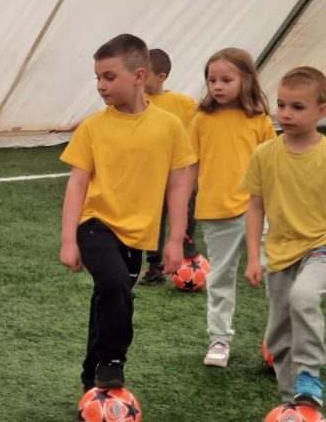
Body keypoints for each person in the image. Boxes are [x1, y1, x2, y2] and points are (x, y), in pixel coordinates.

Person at [59, 34, 195, 391]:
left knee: (110, 298)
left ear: (138, 76)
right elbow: (77, 184)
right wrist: (69, 240)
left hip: (138, 235)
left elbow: (178, 186)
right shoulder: (92, 127)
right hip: (95, 223)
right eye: (97, 78)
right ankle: (113, 359)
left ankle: (92, 380)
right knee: (115, 283)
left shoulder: (169, 126)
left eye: (109, 77)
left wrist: (175, 239)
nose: (101, 86)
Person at [244, 66, 326, 406]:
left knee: (303, 297)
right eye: (281, 105)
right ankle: (295, 404)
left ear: (321, 111)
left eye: (297, 107)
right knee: (278, 338)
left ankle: (309, 374)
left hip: (320, 247)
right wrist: (253, 257)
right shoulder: (264, 154)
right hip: (279, 252)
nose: (286, 113)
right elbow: (255, 207)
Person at [189, 48, 276, 367]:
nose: (217, 86)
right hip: (216, 214)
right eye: (212, 80)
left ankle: (278, 339)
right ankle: (219, 338)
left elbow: (273, 169)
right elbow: (190, 165)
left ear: (247, 79)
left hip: (259, 211)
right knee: (221, 277)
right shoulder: (201, 119)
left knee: (275, 273)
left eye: (226, 80)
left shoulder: (260, 121)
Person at [137, 48, 200, 285]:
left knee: (185, 211)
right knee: (153, 221)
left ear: (161, 76)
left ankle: (186, 246)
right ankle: (154, 266)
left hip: (180, 174)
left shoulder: (185, 104)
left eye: (145, 74)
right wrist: (72, 125)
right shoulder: (137, 102)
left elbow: (205, 124)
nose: (139, 79)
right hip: (150, 175)